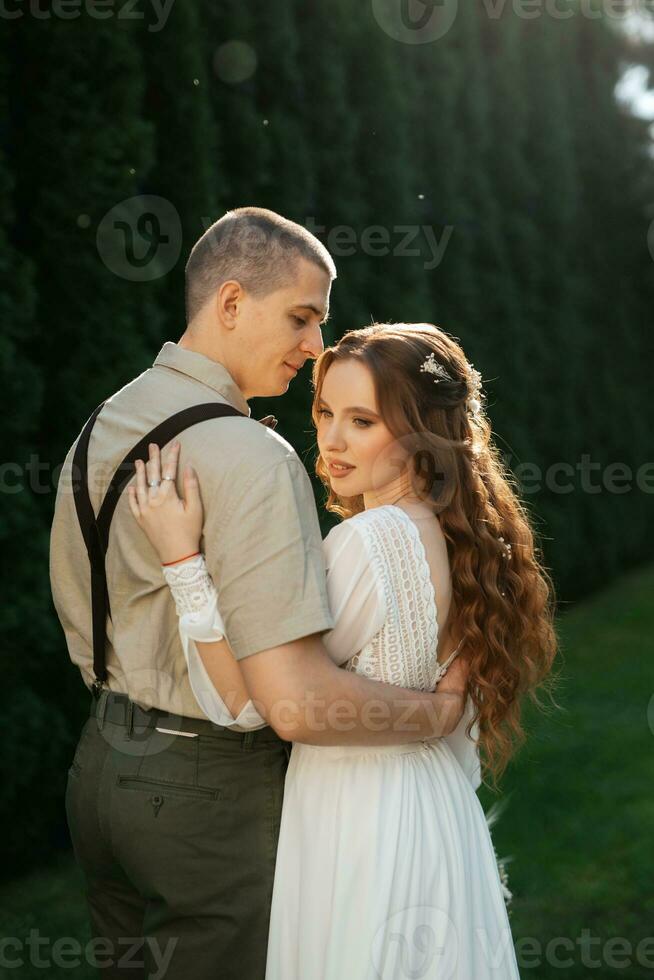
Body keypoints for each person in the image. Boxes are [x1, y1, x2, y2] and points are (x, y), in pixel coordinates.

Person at [49, 208, 468, 980]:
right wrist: (439, 714)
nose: (314, 346)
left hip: (99, 770)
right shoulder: (253, 455)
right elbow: (295, 706)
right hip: (206, 793)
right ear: (232, 302)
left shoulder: (102, 422)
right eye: (302, 317)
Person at [129, 321, 560, 978]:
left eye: (362, 421)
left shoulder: (366, 544)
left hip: (362, 819)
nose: (331, 439)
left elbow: (252, 699)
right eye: (327, 411)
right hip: (435, 805)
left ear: (421, 432)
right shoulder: (455, 536)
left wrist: (182, 559)